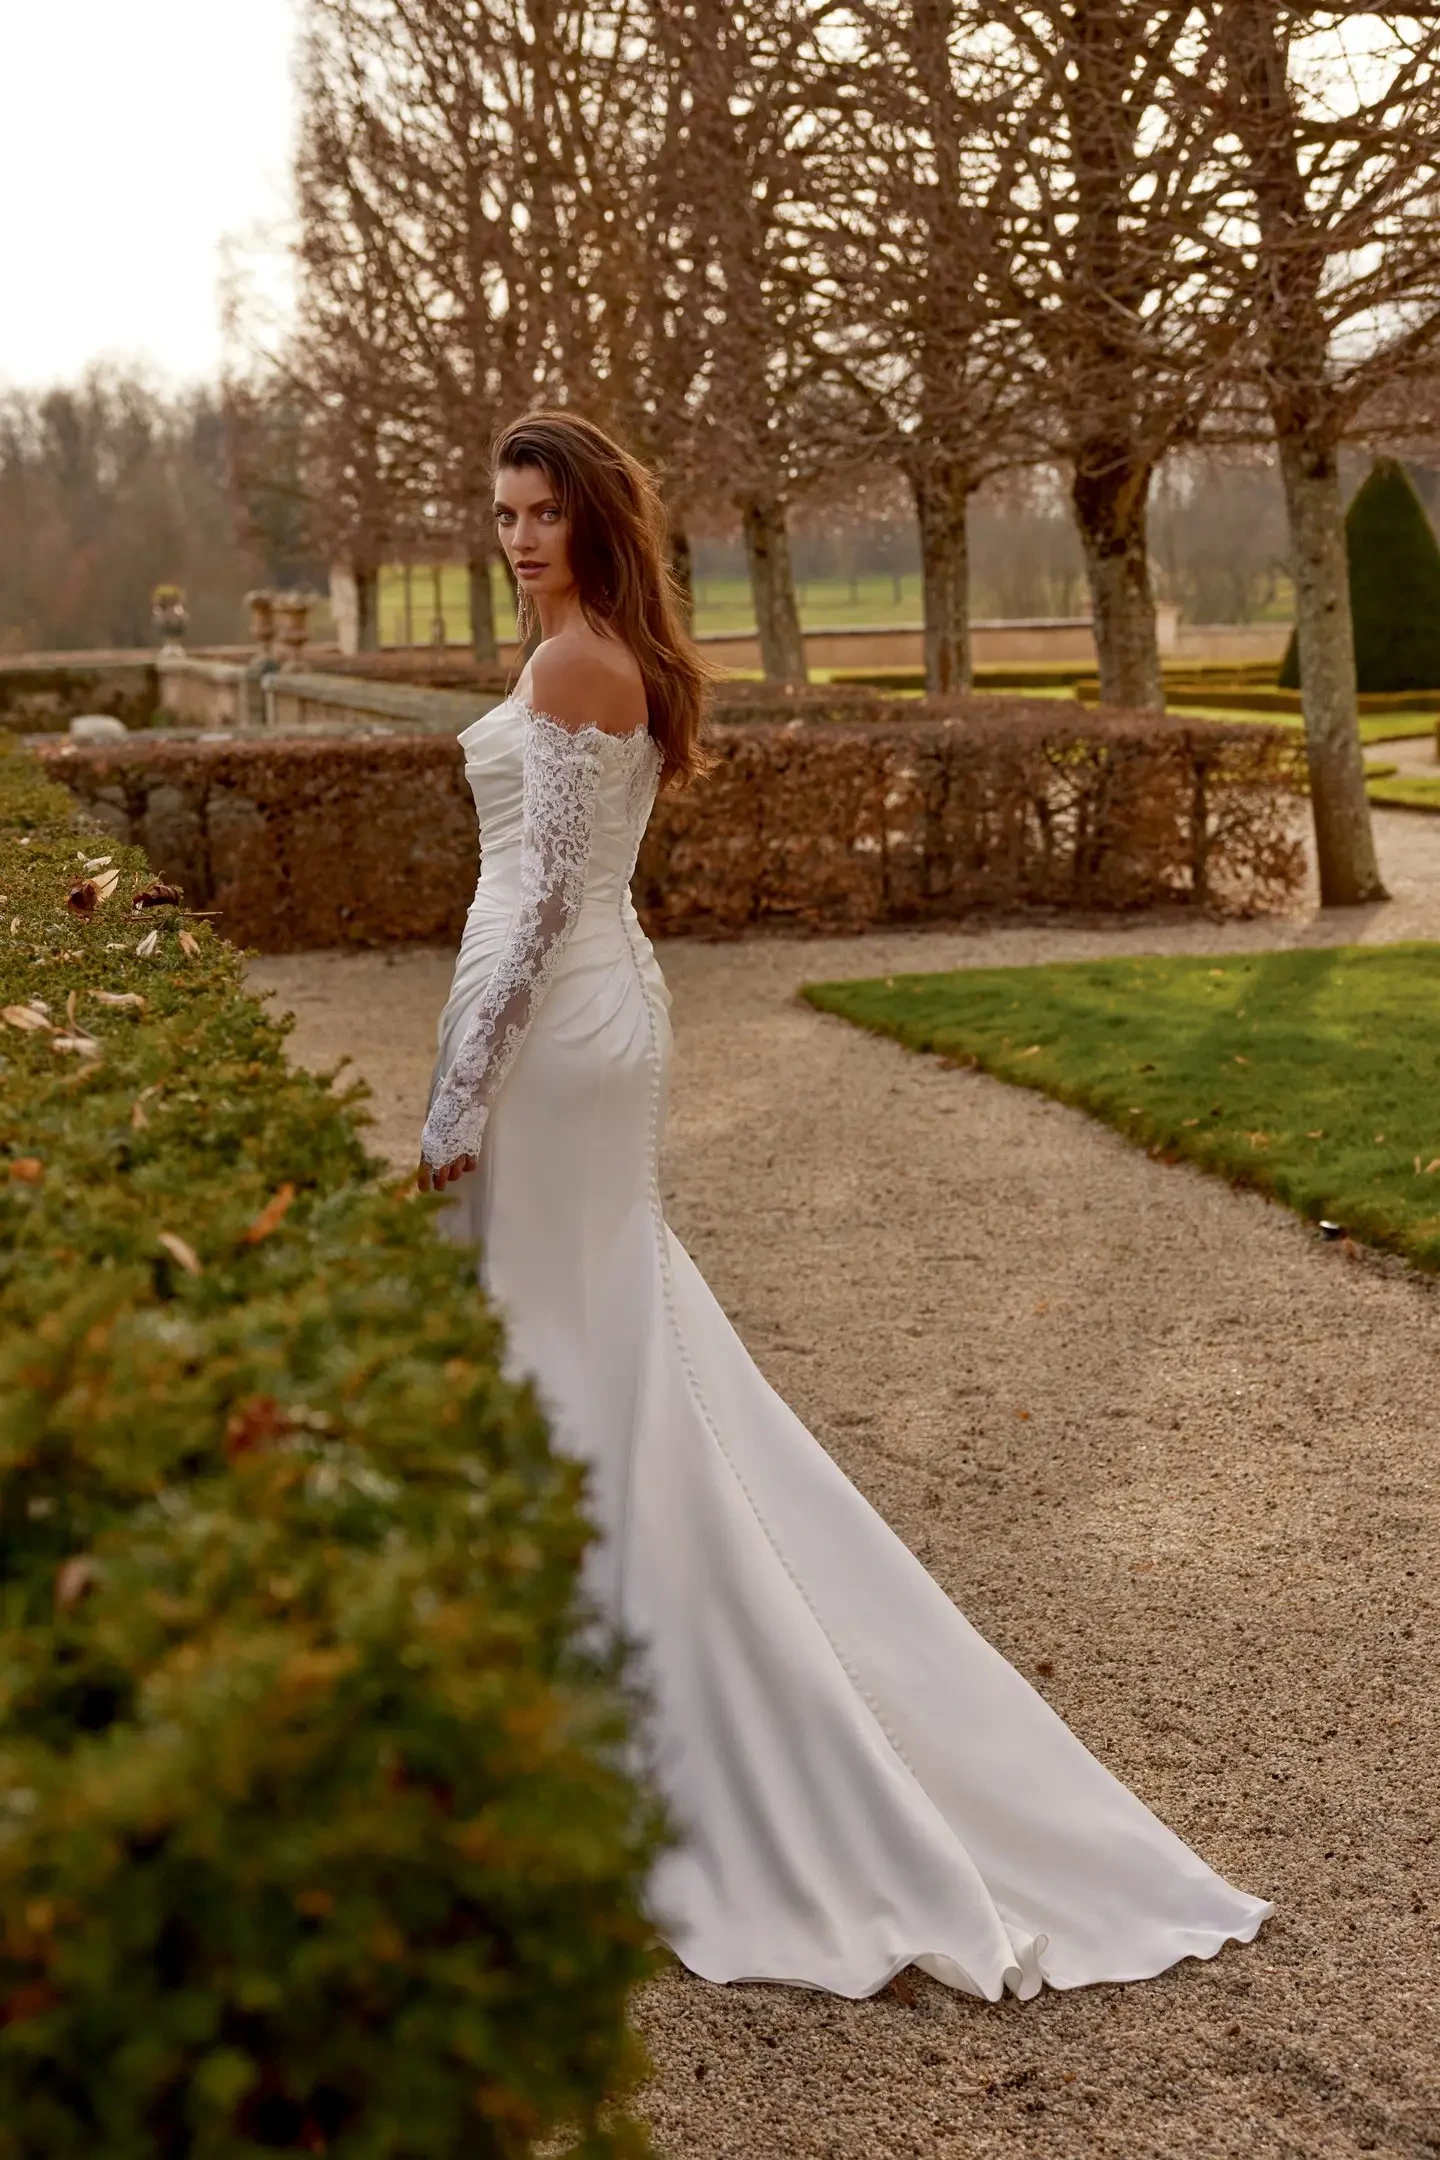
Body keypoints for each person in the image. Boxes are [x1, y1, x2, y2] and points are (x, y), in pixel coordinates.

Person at [419, 409, 1274, 2001]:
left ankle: (614, 1715)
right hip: (593, 1018)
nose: (520, 536)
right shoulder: (601, 657)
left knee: (575, 1354)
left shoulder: (572, 667)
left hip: (558, 1033)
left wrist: (459, 1094)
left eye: (544, 512)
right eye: (504, 511)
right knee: (601, 1348)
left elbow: (534, 909)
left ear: (598, 523)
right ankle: (556, 1695)